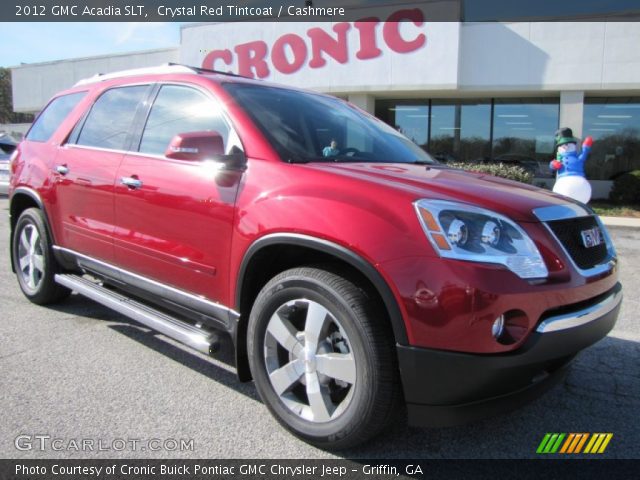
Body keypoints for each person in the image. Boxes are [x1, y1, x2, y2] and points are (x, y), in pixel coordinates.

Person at [549, 127, 593, 204]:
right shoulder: (560, 160)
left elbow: (584, 155)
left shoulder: (578, 159)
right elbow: (551, 166)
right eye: (562, 145)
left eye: (567, 144)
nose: (565, 146)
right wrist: (553, 164)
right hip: (563, 185)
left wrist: (586, 147)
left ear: (573, 145)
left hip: (581, 185)